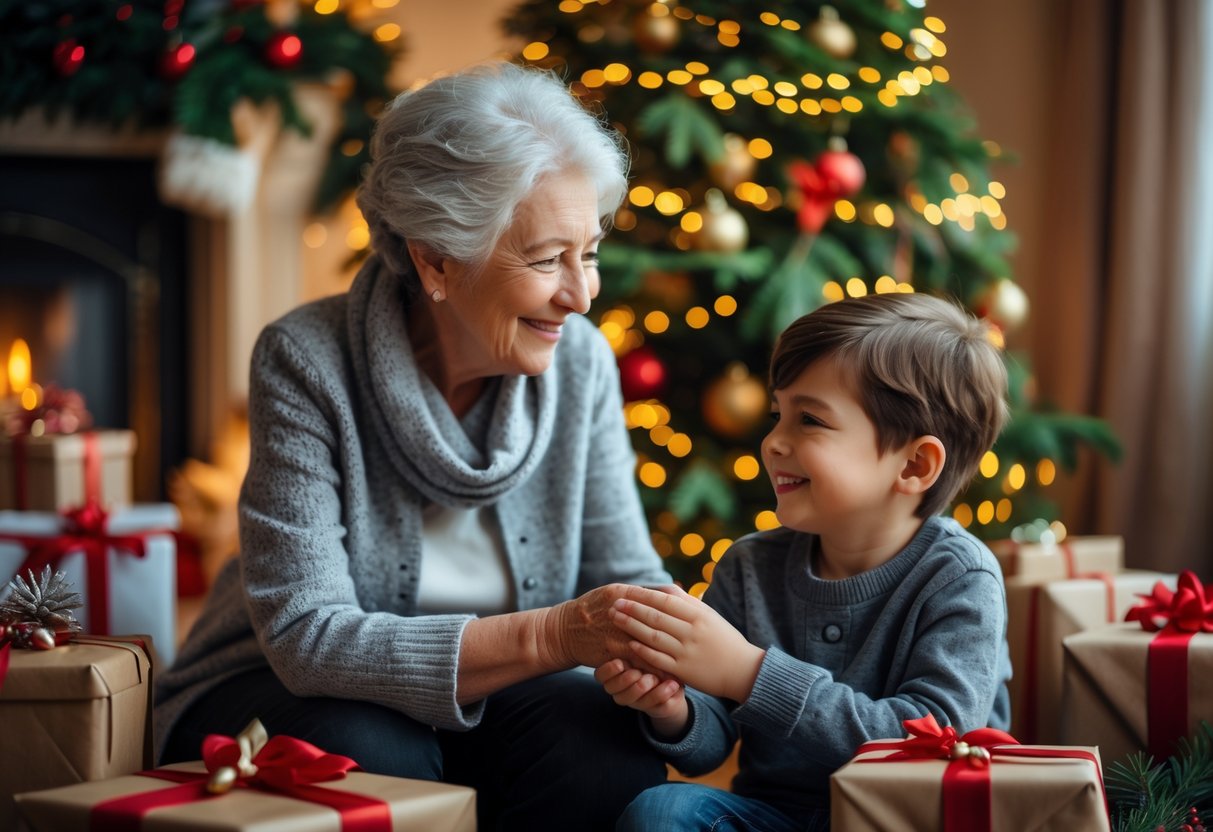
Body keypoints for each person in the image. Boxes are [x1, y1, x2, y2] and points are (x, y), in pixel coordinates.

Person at [154, 61, 674, 831]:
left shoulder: (581, 362)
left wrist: (662, 670)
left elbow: (623, 572)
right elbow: (306, 636)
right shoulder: (305, 358)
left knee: (598, 744)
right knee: (368, 746)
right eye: (544, 260)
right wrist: (555, 633)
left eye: (588, 251)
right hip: (277, 688)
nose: (581, 293)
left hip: (502, 696)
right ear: (435, 258)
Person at [596, 292, 1014, 831]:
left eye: (810, 419)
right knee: (662, 811)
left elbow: (932, 744)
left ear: (914, 463)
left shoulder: (960, 578)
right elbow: (708, 746)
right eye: (778, 414)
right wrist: (671, 707)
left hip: (907, 821)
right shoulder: (749, 566)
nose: (772, 442)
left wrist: (749, 673)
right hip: (777, 818)